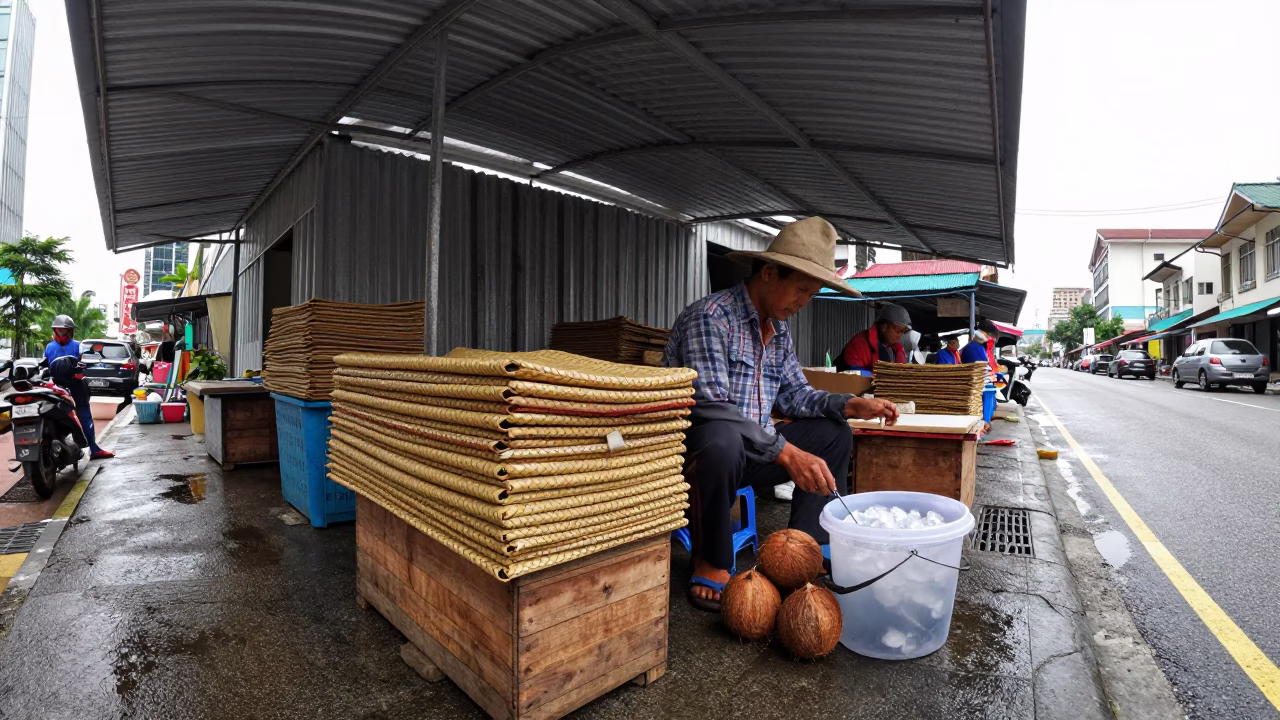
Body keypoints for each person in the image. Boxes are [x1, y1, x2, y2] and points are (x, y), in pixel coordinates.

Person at [664, 217, 898, 611]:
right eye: (801, 290)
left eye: (811, 294)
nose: (803, 303)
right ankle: (711, 558)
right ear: (769, 273)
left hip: (754, 452)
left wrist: (848, 404)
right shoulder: (710, 317)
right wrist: (786, 453)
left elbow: (795, 396)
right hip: (697, 457)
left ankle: (801, 551)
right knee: (722, 437)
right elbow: (709, 405)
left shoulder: (779, 330)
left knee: (834, 432)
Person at [44, 315, 115, 460]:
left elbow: (87, 365)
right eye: (59, 330)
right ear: (54, 330)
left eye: (65, 330)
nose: (62, 333)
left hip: (76, 385)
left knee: (85, 414)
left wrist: (82, 372)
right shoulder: (49, 347)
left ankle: (94, 448)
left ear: (70, 331)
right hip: (57, 386)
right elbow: (45, 367)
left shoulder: (78, 346)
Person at [835, 303, 911, 372]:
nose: (900, 335)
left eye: (903, 331)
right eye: (898, 330)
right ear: (884, 326)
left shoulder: (897, 350)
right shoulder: (860, 343)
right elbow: (854, 372)